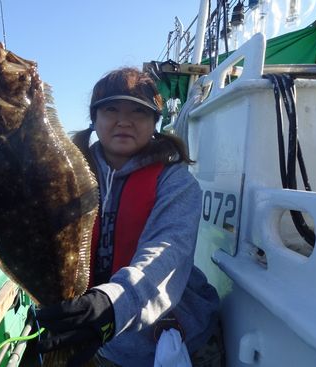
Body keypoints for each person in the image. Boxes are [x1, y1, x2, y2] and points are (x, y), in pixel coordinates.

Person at [35, 67, 222, 367]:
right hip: (100, 339)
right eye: (111, 109)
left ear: (154, 123)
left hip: (178, 338)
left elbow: (167, 251)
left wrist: (111, 305)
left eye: (138, 111)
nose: (124, 121)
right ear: (94, 119)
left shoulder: (176, 183)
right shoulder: (65, 177)